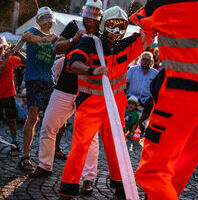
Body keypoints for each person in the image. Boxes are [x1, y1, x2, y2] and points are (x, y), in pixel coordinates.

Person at [58, 6, 151, 200]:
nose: (116, 32)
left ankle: (120, 184)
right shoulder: (89, 43)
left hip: (116, 106)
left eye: (121, 27)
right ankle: (67, 190)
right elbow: (72, 63)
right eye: (112, 26)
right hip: (90, 103)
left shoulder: (125, 45)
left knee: (117, 145)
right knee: (80, 147)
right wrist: (92, 70)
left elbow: (148, 33)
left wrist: (152, 7)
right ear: (103, 25)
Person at [29, 0, 103, 195]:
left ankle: (88, 178)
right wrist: (73, 40)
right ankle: (45, 164)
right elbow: (56, 48)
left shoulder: (103, 33)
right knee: (48, 126)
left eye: (95, 13)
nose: (91, 17)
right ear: (84, 12)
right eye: (89, 12)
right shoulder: (74, 26)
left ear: (100, 15)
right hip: (65, 86)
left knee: (91, 138)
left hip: (89, 91)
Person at [129, 1, 198, 199]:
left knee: (152, 173)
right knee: (177, 169)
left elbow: (141, 20)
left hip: (181, 96)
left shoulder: (164, 3)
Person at [18, 6, 57, 171]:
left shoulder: (56, 36)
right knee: (33, 117)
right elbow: (26, 37)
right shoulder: (33, 30)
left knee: (52, 121)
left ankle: (48, 157)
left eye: (49, 17)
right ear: (39, 20)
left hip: (49, 81)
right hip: (34, 80)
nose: (47, 20)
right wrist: (47, 40)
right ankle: (25, 156)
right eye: (44, 17)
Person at [0, 36, 25, 156]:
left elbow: (25, 62)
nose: (1, 50)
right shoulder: (6, 59)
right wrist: (6, 58)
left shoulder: (9, 58)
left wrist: (18, 52)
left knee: (12, 119)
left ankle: (14, 142)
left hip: (9, 94)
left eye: (2, 47)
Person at [126, 51, 158, 125]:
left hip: (146, 98)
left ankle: (138, 123)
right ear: (140, 60)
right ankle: (127, 123)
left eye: (147, 60)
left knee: (151, 103)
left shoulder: (155, 73)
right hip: (132, 95)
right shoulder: (132, 70)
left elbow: (157, 88)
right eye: (143, 59)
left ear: (151, 62)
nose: (145, 61)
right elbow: (126, 83)